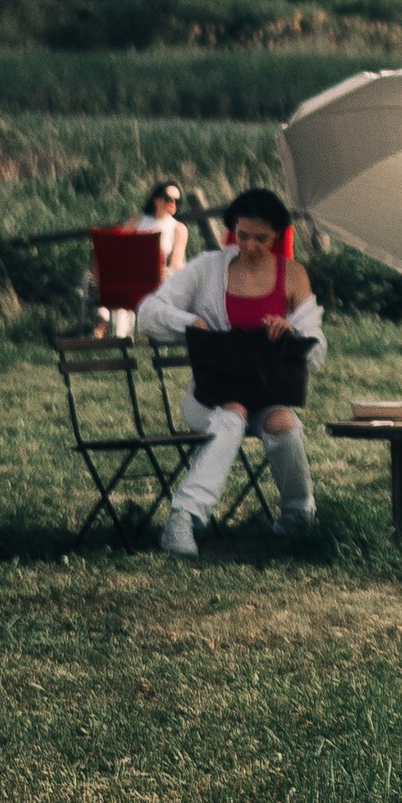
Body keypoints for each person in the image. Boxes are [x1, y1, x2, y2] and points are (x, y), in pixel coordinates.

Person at [135, 186, 323, 553]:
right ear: (233, 230)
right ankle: (183, 519)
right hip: (212, 394)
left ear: (279, 236)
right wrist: (192, 322)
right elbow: (149, 315)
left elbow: (316, 347)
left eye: (261, 239)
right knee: (233, 414)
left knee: (284, 423)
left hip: (268, 389)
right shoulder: (207, 268)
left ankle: (297, 518)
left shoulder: (294, 275)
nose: (250, 246)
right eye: (243, 236)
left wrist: (291, 332)